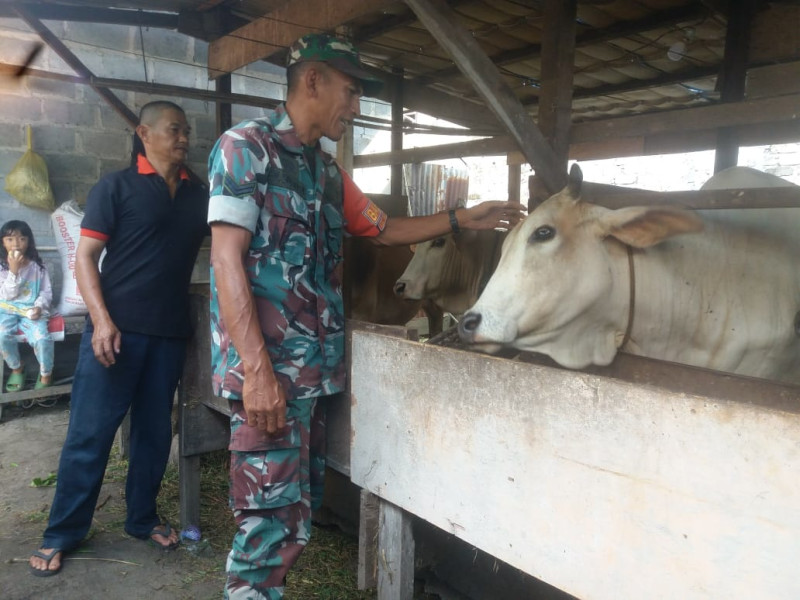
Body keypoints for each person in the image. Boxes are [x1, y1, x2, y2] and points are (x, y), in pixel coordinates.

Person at [207, 33, 526, 599]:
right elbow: (226, 258)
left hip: (311, 381)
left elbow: (383, 229)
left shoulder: (326, 173)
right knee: (264, 528)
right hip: (268, 379)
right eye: (350, 93)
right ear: (312, 80)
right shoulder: (245, 149)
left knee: (293, 519)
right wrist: (257, 372)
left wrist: (462, 219)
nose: (355, 109)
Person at [29, 100, 210, 577]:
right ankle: (62, 532)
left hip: (169, 333)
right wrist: (102, 320)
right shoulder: (116, 186)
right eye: (174, 129)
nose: (184, 137)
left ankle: (141, 518)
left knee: (154, 434)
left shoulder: (200, 194)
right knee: (91, 432)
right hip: (116, 331)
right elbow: (85, 258)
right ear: (144, 133)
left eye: (187, 130)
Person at [0, 219, 54, 391]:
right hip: (6, 309)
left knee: (42, 339)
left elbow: (46, 292)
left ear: (29, 241)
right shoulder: (2, 267)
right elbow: (7, 295)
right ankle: (17, 367)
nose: (16, 244)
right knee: (1, 335)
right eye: (10, 239)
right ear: (2, 242)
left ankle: (46, 373)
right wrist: (13, 270)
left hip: (31, 310)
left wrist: (39, 306)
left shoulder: (38, 267)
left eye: (22, 238)